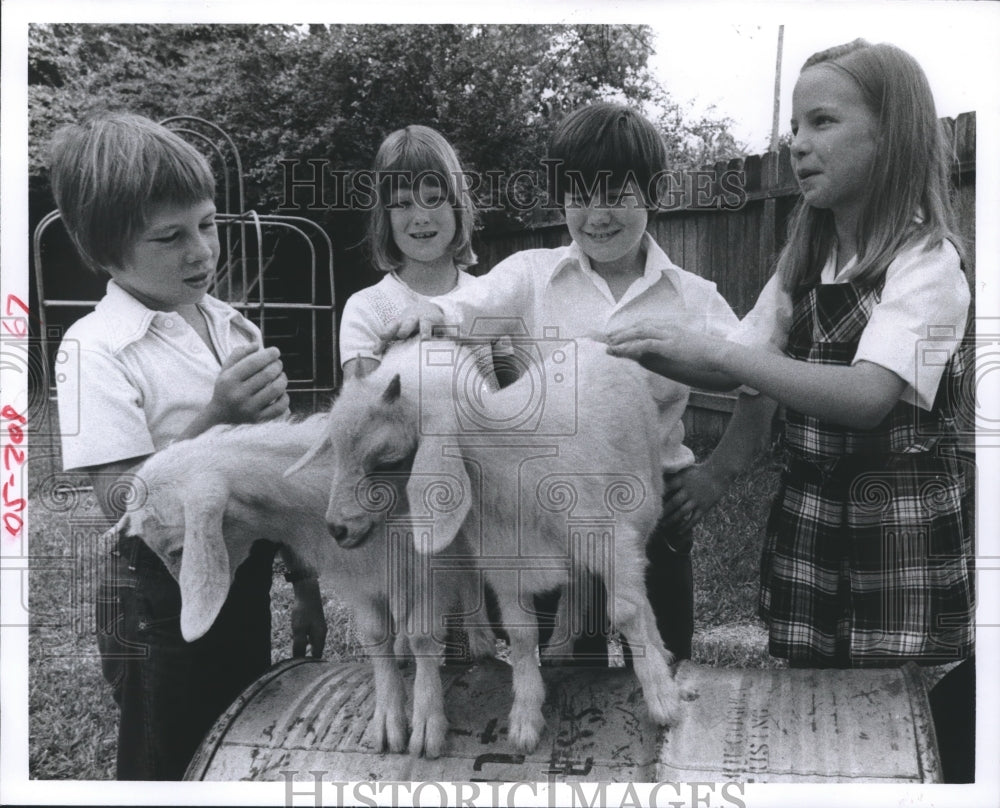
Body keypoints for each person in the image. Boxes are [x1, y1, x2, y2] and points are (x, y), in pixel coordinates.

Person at [605, 40, 974, 777]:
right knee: (814, 704)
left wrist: (718, 354)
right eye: (794, 128)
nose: (798, 145)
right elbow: (735, 362)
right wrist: (625, 347)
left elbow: (868, 397)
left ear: (892, 133)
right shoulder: (802, 262)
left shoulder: (930, 265)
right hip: (811, 518)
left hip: (890, 527)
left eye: (823, 122)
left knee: (887, 711)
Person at [380, 102, 750, 664]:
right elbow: (473, 303)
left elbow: (758, 382)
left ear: (653, 192)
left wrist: (717, 475)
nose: (597, 214)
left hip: (655, 513)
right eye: (579, 195)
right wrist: (438, 318)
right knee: (565, 670)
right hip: (550, 512)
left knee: (665, 658)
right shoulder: (531, 276)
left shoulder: (694, 298)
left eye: (617, 195)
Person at [50, 112, 328, 780]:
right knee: (166, 754)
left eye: (207, 224)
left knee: (234, 739)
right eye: (170, 236)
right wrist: (218, 414)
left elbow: (271, 469)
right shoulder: (95, 348)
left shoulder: (234, 328)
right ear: (106, 253)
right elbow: (120, 496)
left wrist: (306, 583)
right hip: (155, 596)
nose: (201, 250)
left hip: (242, 572)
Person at [339, 124, 481, 380]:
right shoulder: (365, 309)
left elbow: (517, 400)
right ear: (386, 217)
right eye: (403, 203)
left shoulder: (489, 296)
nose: (421, 217)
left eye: (434, 198)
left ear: (457, 206)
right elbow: (361, 412)